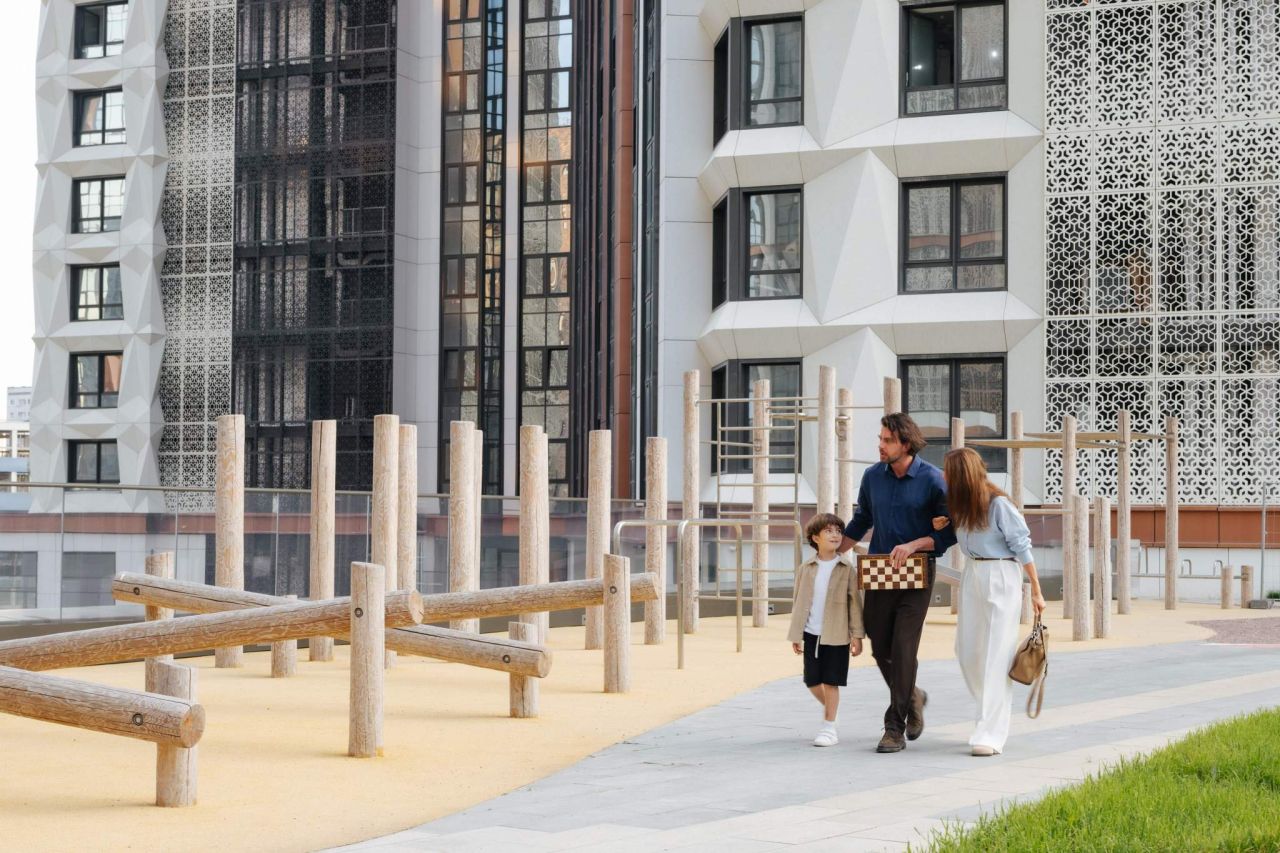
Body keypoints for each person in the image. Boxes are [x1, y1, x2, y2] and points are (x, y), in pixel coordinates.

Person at [840, 413, 957, 753]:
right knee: (881, 648)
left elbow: (949, 533)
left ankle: (894, 727)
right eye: (880, 439)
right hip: (880, 572)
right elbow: (861, 520)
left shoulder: (933, 480)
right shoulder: (872, 477)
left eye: (887, 440)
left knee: (904, 648)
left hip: (917, 574)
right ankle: (913, 696)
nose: (880, 445)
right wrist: (831, 554)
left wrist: (914, 544)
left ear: (906, 444)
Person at [936, 447, 1047, 756]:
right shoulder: (961, 505)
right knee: (968, 651)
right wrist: (946, 522)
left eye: (948, 471)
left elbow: (1022, 546)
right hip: (972, 572)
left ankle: (990, 732)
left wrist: (1036, 590)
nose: (943, 476)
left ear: (961, 475)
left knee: (997, 654)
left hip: (1001, 573)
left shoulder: (999, 505)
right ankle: (989, 709)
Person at [787, 512, 865, 747]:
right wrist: (796, 634)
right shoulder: (806, 568)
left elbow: (855, 604)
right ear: (815, 538)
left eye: (838, 531)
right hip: (811, 634)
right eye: (828, 531)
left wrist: (857, 635)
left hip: (837, 635)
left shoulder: (846, 568)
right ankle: (832, 711)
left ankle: (828, 727)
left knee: (832, 681)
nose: (835, 535)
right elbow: (798, 601)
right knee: (812, 681)